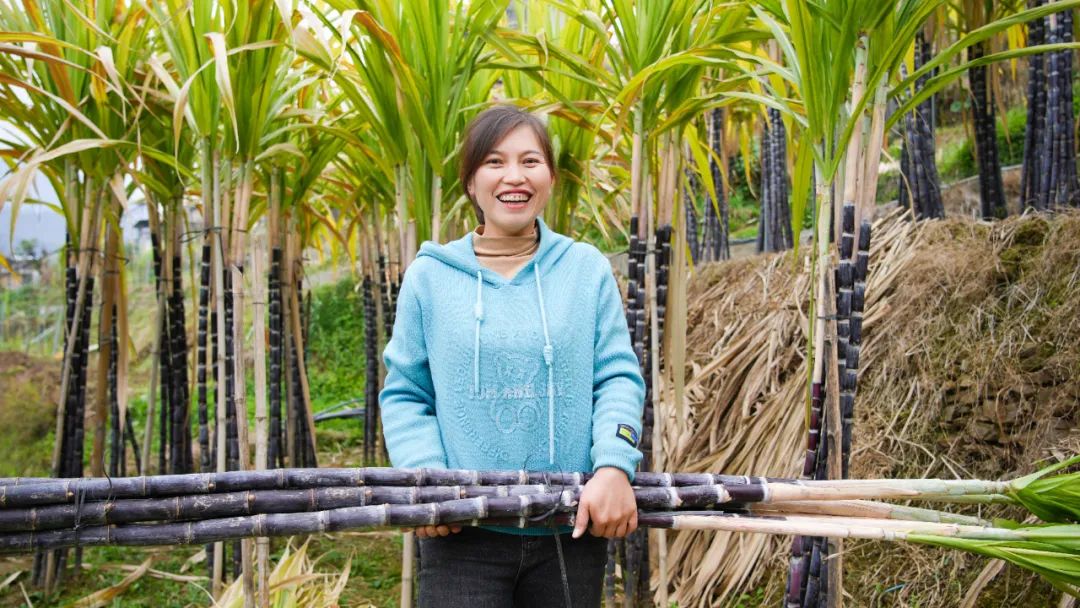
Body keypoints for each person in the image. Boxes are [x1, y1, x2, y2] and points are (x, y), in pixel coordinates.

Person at [379, 105, 646, 607]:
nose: (514, 177)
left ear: (550, 178)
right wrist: (427, 477)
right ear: (471, 182)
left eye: (530, 161)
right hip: (463, 532)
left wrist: (614, 464)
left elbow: (617, 378)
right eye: (495, 162)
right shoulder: (430, 277)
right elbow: (406, 393)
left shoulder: (584, 270)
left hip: (569, 527)